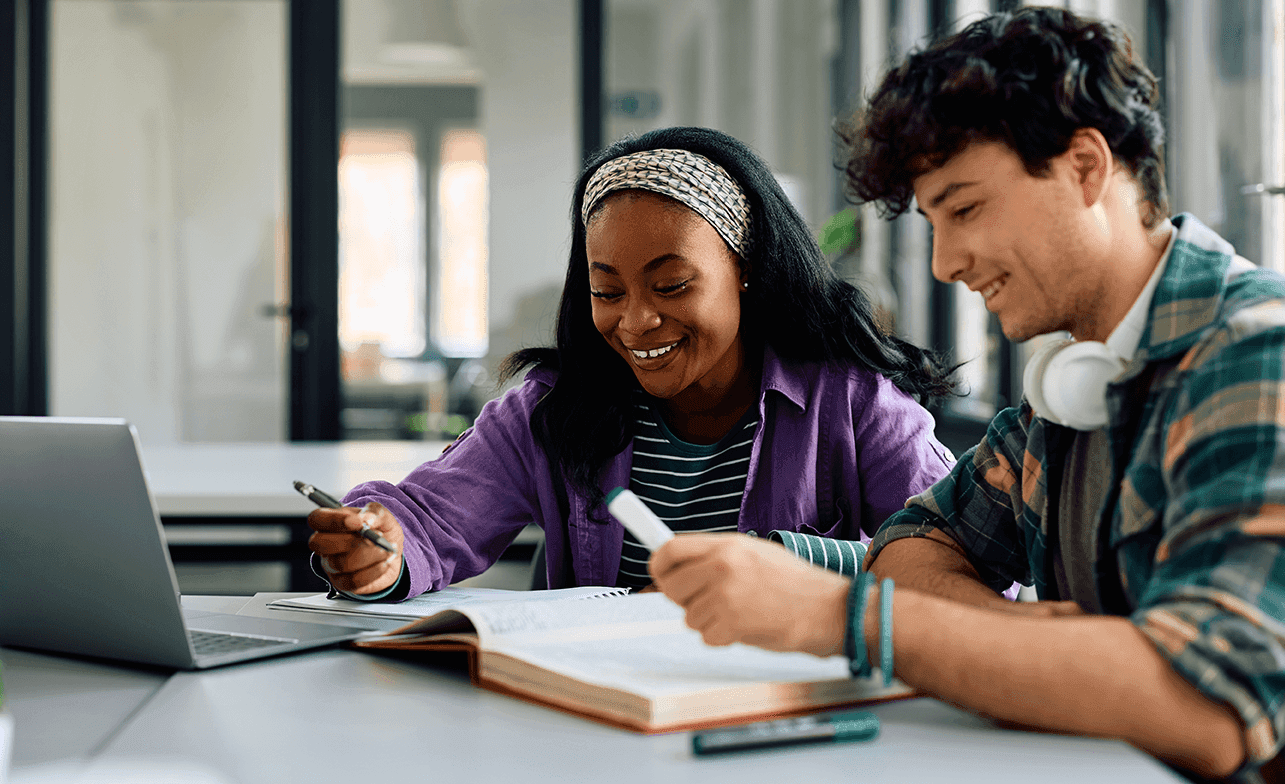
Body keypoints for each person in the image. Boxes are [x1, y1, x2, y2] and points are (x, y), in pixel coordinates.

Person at [648, 8, 1285, 783]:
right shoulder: (1073, 380)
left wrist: (833, 618)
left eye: (966, 208)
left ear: (1085, 167)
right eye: (934, 221)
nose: (944, 262)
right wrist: (1032, 643)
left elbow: (1208, 706)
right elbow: (909, 546)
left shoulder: (1269, 355)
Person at [307, 125, 959, 600]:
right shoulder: (551, 407)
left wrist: (781, 558)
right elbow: (429, 517)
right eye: (607, 292)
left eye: (671, 285)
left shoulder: (854, 403)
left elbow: (967, 565)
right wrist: (380, 549)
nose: (636, 321)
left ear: (747, 272)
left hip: (788, 718)